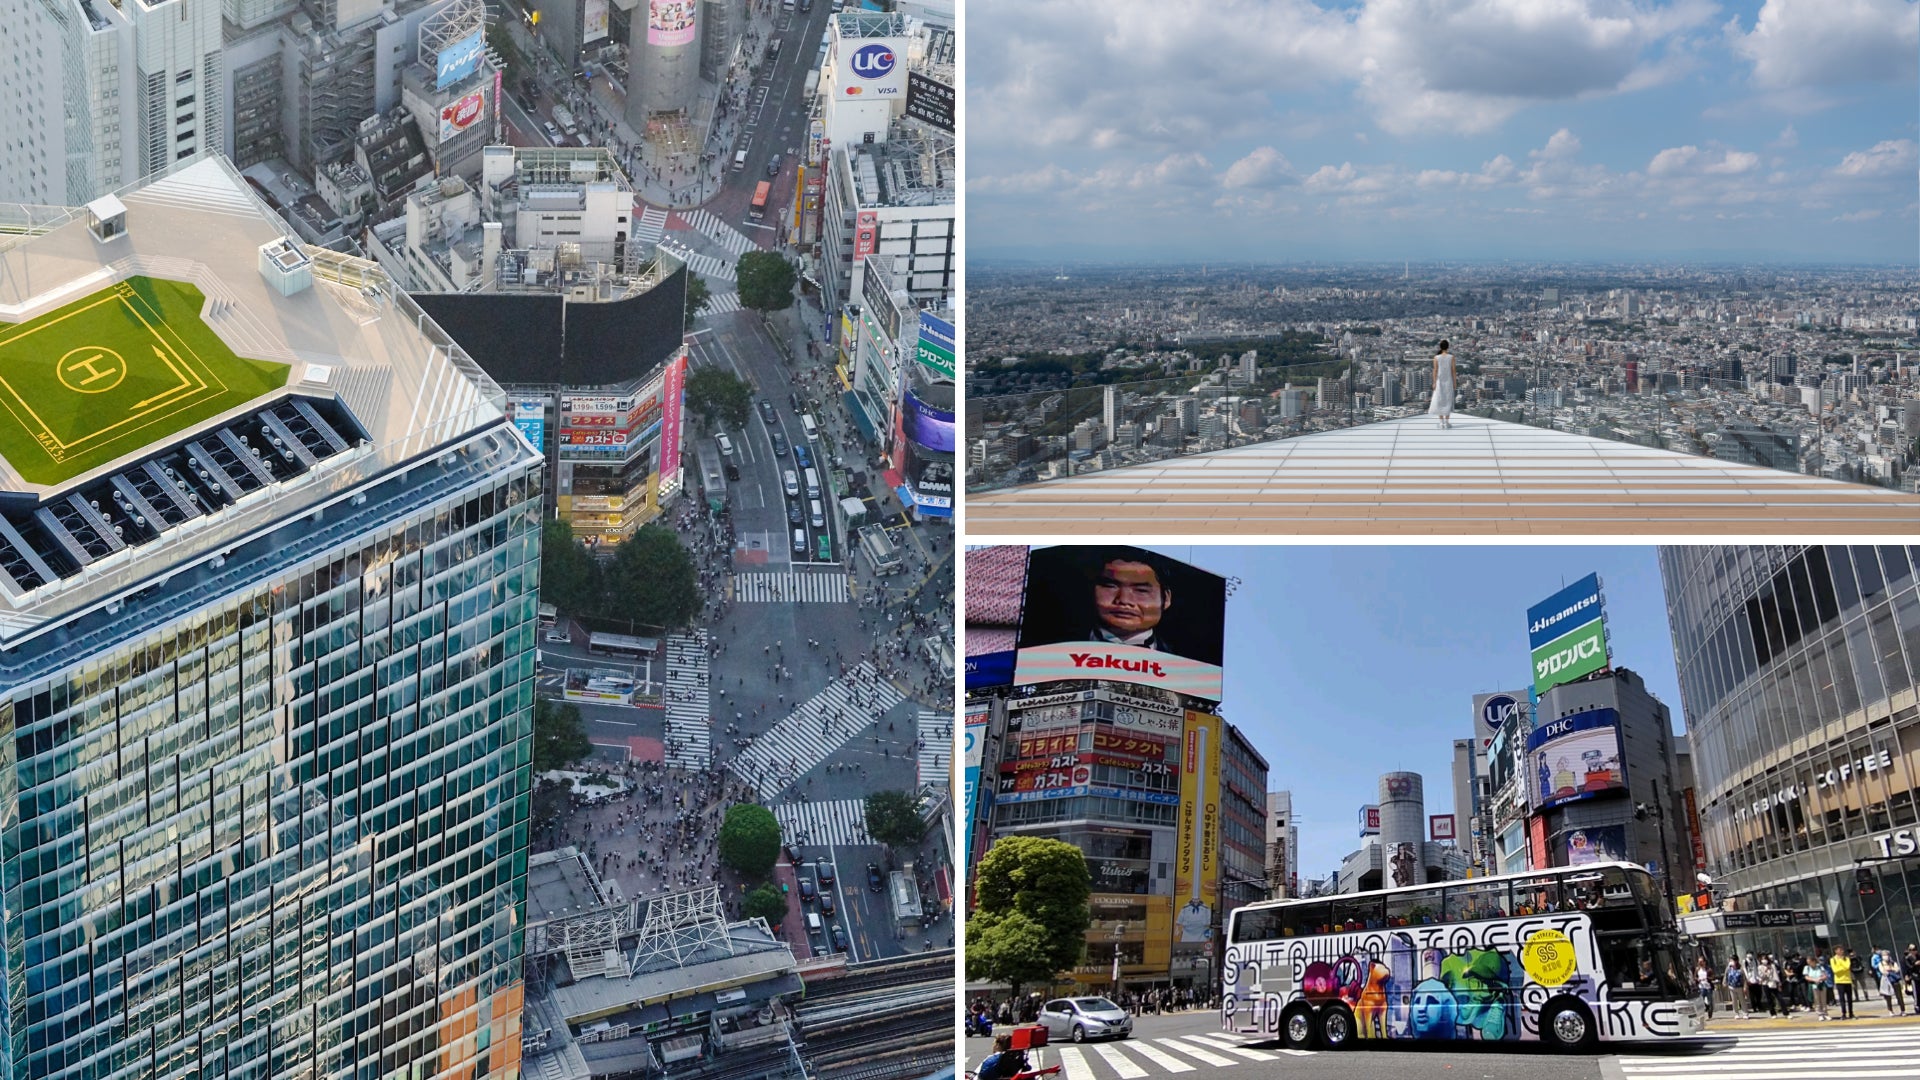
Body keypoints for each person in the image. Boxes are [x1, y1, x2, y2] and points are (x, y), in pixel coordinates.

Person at [1429, 340, 1456, 428]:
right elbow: (1453, 371)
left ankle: (1441, 422)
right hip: (1449, 381)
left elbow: (1435, 370)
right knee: (1448, 400)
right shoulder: (1451, 357)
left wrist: (1434, 382)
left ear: (1440, 347)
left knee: (1440, 400)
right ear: (1448, 347)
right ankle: (1447, 422)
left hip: (1439, 381)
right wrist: (1455, 382)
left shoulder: (1436, 358)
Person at [1875, 948, 1908, 1015]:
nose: (1885, 956)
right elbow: (1883, 971)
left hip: (1895, 981)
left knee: (1899, 996)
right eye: (1884, 955)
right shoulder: (1880, 963)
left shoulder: (1893, 962)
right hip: (1886, 981)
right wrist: (1889, 970)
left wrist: (1890, 969)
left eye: (1886, 955)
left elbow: (1897, 969)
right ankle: (1890, 1010)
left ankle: (1903, 1010)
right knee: (1888, 997)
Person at [1803, 953, 1831, 1021]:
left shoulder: (1820, 967)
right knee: (1817, 1000)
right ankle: (1820, 1014)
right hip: (1813, 985)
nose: (1809, 963)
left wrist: (1820, 979)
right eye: (1808, 962)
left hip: (1821, 984)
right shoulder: (1807, 968)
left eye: (1810, 962)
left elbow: (1825, 975)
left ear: (1814, 961)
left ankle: (1825, 1013)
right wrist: (1814, 980)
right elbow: (1806, 977)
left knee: (1823, 999)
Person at [1832, 945, 1856, 1019]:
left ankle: (1851, 1013)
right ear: (1836, 951)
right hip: (1839, 981)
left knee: (1849, 998)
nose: (1842, 951)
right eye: (1840, 950)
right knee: (1842, 999)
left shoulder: (1846, 958)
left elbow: (1847, 966)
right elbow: (1835, 970)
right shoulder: (1833, 959)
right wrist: (1842, 966)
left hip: (1847, 980)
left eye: (1842, 950)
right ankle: (1843, 1013)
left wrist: (1841, 965)